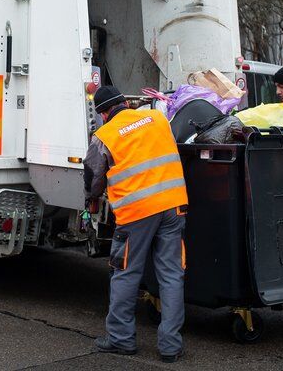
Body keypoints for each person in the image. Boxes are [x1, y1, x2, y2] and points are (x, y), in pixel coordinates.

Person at [84, 85, 188, 363]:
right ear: (126, 104)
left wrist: (91, 198)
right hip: (173, 205)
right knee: (171, 275)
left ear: (104, 113)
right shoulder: (157, 118)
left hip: (137, 213)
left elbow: (93, 176)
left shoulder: (104, 135)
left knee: (126, 273)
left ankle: (121, 339)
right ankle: (170, 346)